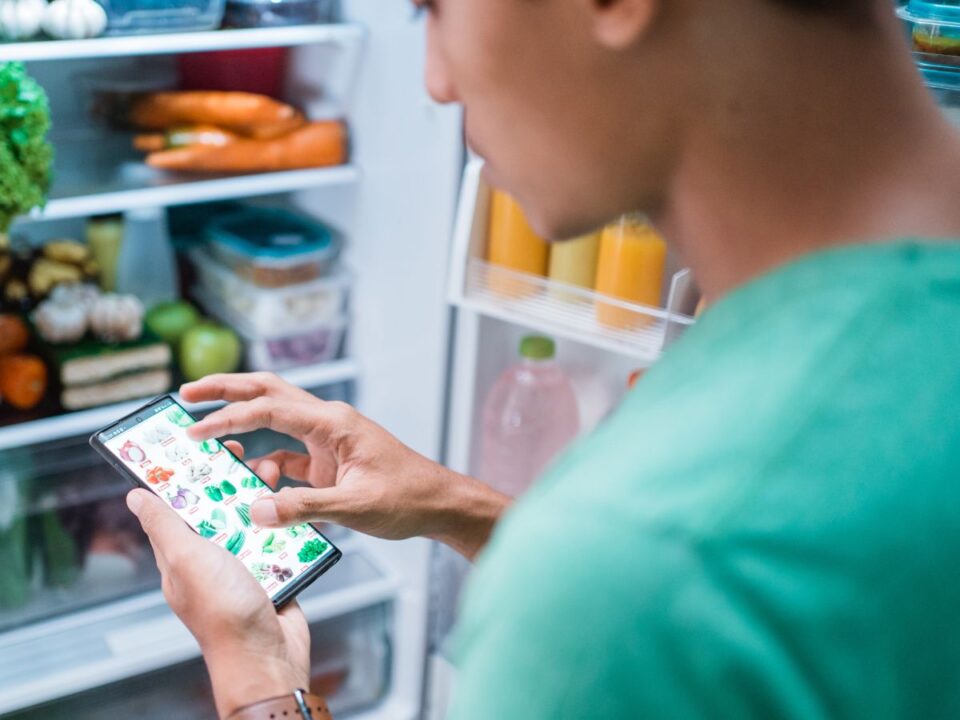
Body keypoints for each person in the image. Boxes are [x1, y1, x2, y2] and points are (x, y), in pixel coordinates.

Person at [126, 0, 960, 716]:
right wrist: (461, 507)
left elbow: (653, 581)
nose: (435, 81)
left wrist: (258, 677)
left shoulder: (634, 560)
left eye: (435, 11)